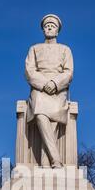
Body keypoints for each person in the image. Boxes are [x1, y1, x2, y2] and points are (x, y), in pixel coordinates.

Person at [25, 14, 74, 168]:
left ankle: (47, 162)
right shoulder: (34, 48)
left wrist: (55, 83)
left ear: (57, 31)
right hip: (39, 88)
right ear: (43, 30)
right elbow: (29, 71)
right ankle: (56, 158)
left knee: (54, 117)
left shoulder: (65, 49)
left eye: (52, 26)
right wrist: (44, 83)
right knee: (40, 113)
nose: (49, 28)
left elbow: (68, 72)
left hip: (58, 89)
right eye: (47, 26)